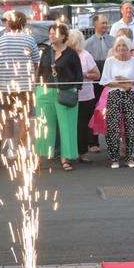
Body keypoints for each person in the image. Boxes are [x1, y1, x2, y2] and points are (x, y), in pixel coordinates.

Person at [0, 11, 40, 164]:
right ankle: (22, 148)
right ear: (23, 23)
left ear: (9, 23)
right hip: (25, 86)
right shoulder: (30, 40)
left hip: (4, 87)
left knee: (6, 118)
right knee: (24, 119)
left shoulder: (0, 41)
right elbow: (36, 62)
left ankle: (7, 147)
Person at [35, 23, 83, 171]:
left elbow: (78, 74)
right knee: (43, 126)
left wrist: (75, 89)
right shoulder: (46, 51)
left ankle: (65, 158)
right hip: (45, 92)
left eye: (54, 33)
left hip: (66, 92)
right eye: (50, 33)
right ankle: (39, 157)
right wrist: (38, 87)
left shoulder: (71, 53)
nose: (51, 36)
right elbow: (41, 71)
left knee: (67, 127)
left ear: (63, 36)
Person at [101, 37, 134, 169]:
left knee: (131, 126)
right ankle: (114, 157)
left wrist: (127, 81)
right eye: (118, 46)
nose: (121, 48)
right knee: (113, 127)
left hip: (130, 95)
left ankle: (129, 155)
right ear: (115, 47)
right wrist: (121, 84)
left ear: (129, 48)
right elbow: (104, 81)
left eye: (124, 46)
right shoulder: (110, 61)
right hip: (114, 95)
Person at [67, 28, 100, 163]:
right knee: (69, 125)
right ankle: (69, 152)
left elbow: (97, 75)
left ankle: (82, 152)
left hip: (86, 97)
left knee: (82, 126)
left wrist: (84, 75)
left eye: (68, 39)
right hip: (68, 96)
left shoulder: (86, 55)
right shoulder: (65, 55)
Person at [84, 12, 115, 151]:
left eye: (106, 23)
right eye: (103, 23)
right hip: (95, 81)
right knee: (94, 110)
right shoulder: (88, 43)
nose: (105, 25)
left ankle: (113, 141)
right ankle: (93, 142)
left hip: (110, 81)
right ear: (95, 24)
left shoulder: (113, 41)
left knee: (111, 111)